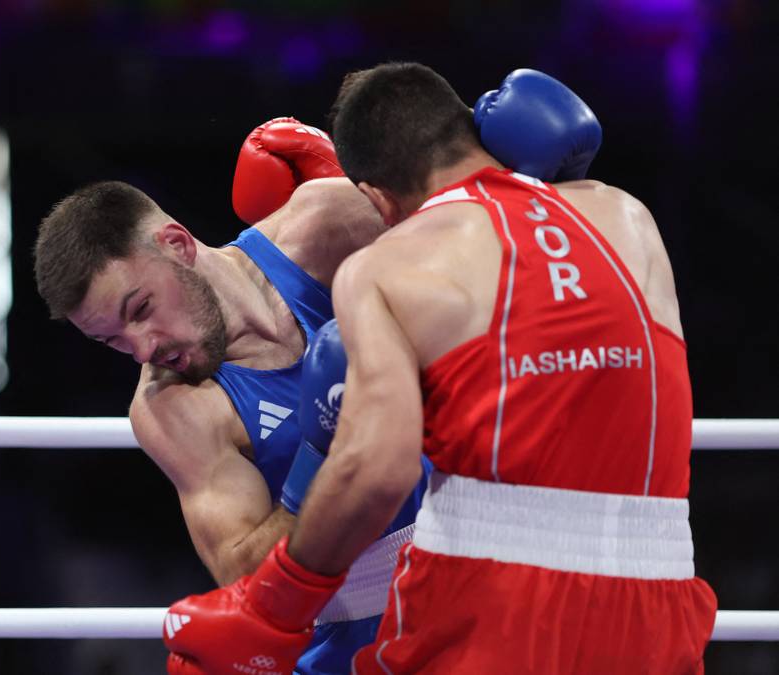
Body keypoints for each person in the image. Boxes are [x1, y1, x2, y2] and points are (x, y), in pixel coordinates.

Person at [34, 72, 603, 674]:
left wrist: (529, 182)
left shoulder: (324, 226)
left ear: (176, 244)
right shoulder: (171, 408)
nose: (143, 349)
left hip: (489, 586)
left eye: (140, 310)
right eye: (111, 341)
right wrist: (322, 453)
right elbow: (243, 572)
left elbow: (498, 261)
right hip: (351, 645)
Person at [162, 62, 718, 675]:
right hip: (660, 596)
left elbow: (379, 473)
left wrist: (273, 606)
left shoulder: (386, 267)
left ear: (375, 196)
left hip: (494, 600)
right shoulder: (627, 215)